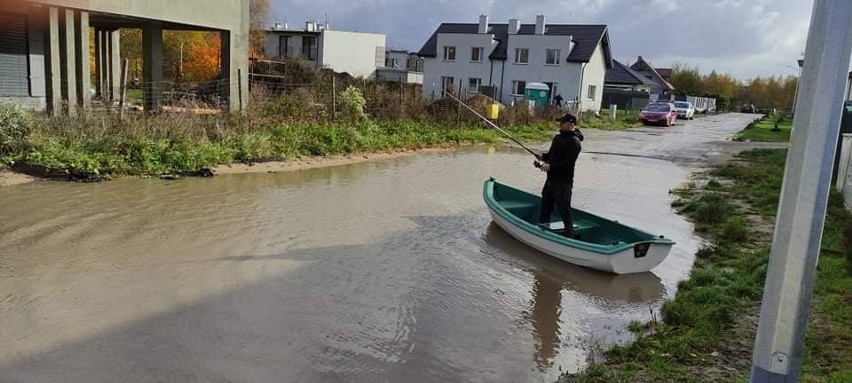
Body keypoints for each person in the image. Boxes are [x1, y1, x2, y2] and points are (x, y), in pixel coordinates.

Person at [536, 113, 583, 238]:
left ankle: (569, 238)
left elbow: (568, 164)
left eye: (562, 122)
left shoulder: (574, 142)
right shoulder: (557, 138)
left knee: (565, 211)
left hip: (563, 184)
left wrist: (550, 167)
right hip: (550, 181)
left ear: (571, 124)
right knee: (545, 209)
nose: (560, 124)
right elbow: (551, 155)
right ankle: (541, 234)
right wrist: (543, 157)